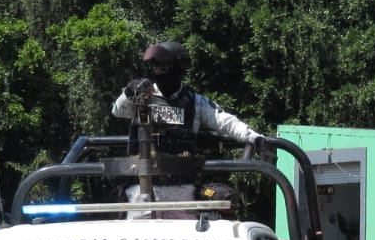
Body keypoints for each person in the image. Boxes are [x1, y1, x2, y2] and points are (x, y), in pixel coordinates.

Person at [110, 41, 268, 213]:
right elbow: (118, 111)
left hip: (182, 189)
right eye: (154, 67)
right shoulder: (140, 95)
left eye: (163, 68)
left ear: (178, 68)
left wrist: (255, 138)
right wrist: (128, 93)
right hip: (141, 187)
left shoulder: (195, 101)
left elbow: (226, 122)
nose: (157, 72)